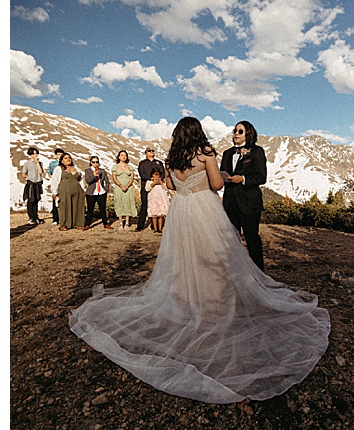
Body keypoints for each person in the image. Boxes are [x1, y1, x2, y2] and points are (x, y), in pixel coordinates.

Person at [68, 116, 330, 403]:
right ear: (198, 132)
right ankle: (216, 302)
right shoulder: (205, 153)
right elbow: (217, 184)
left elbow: (169, 186)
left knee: (183, 256)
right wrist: (207, 178)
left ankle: (187, 299)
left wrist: (185, 186)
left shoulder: (171, 158)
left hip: (181, 210)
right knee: (216, 255)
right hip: (204, 207)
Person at [219, 120, 268, 270]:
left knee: (252, 238)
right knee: (231, 240)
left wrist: (243, 179)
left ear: (248, 134)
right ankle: (235, 271)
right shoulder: (227, 153)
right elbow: (222, 173)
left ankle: (259, 272)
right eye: (235, 131)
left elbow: (261, 177)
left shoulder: (257, 151)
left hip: (249, 203)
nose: (236, 134)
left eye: (240, 131)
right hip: (230, 203)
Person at [135, 144, 166, 232]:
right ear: (145, 153)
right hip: (147, 186)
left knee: (157, 205)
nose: (151, 152)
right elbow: (142, 174)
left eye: (153, 150)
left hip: (158, 188)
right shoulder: (142, 163)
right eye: (149, 151)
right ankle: (140, 225)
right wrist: (151, 179)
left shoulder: (159, 163)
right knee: (144, 205)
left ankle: (155, 226)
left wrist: (159, 179)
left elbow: (163, 173)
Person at [56, 154, 86, 231]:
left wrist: (83, 190)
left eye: (69, 158)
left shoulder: (76, 169)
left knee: (78, 206)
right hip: (64, 190)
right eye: (65, 158)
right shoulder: (59, 169)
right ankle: (64, 225)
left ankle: (78, 224)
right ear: (61, 160)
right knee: (64, 206)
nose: (68, 159)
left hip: (77, 189)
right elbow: (55, 180)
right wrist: (54, 191)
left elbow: (81, 180)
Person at [110, 150, 138, 230]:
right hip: (119, 187)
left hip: (129, 187)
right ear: (119, 157)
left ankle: (127, 222)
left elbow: (132, 177)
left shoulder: (130, 167)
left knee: (128, 202)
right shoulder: (115, 167)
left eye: (125, 155)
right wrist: (121, 186)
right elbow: (114, 178)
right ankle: (120, 222)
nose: (123, 156)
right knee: (119, 202)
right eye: (122, 155)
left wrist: (127, 186)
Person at [84, 156, 112, 231]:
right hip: (91, 193)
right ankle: (87, 224)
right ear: (90, 163)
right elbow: (88, 181)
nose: (95, 164)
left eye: (97, 162)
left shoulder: (102, 171)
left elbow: (106, 181)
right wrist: (94, 176)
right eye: (93, 162)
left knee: (103, 209)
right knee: (90, 209)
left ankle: (105, 223)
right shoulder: (88, 171)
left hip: (101, 192)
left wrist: (106, 190)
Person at [19, 146, 43, 224]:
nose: (35, 155)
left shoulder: (40, 163)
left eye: (36, 153)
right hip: (31, 183)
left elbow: (40, 172)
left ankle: (36, 216)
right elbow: (23, 174)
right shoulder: (27, 164)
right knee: (30, 201)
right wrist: (30, 177)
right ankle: (31, 217)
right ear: (30, 154)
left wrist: (37, 163)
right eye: (34, 154)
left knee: (36, 200)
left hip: (38, 183)